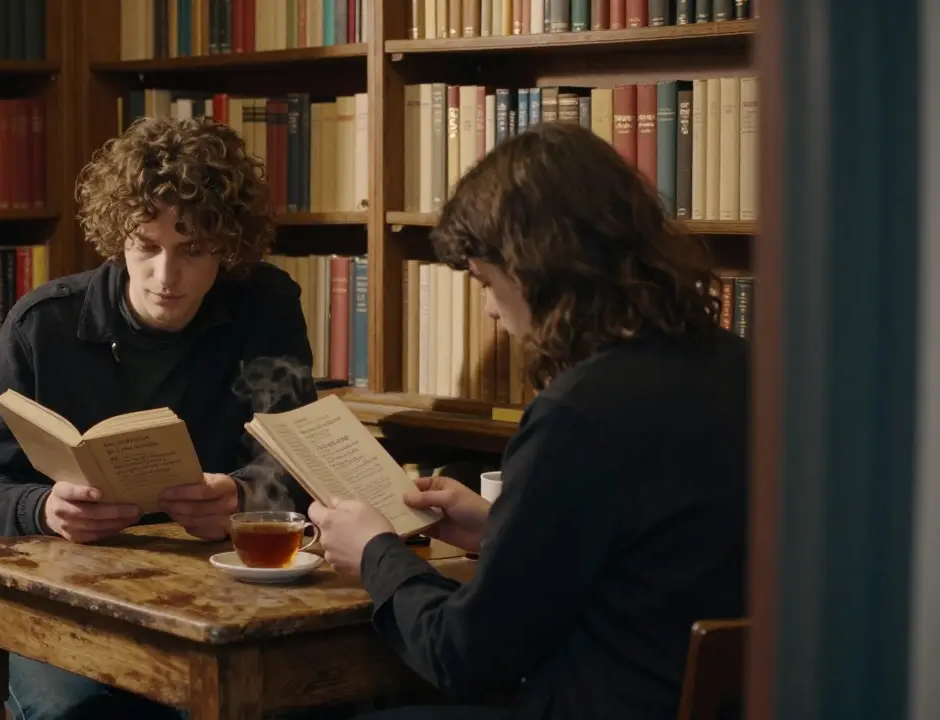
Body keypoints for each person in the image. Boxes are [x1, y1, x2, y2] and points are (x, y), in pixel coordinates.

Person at [309, 122, 749, 720]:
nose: (490, 309)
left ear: (536, 270)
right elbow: (656, 560)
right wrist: (501, 531)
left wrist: (375, 554)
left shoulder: (579, 414)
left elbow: (463, 655)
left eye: (488, 282)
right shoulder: (742, 368)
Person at [0, 116, 317, 719]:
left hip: (214, 588)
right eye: (146, 246)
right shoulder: (42, 326)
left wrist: (241, 496)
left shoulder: (265, 307)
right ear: (118, 236)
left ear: (227, 247)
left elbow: (299, 464)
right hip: (65, 591)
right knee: (82, 713)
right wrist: (45, 509)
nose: (165, 276)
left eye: (192, 250)